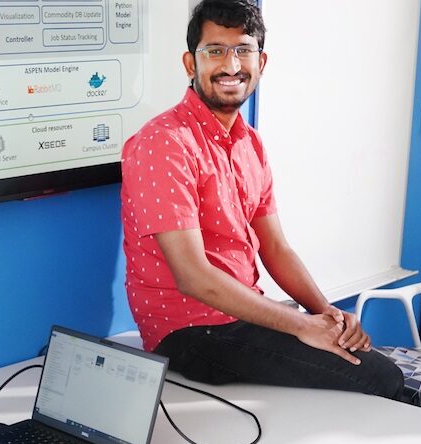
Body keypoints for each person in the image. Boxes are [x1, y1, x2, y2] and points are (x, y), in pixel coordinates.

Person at [119, 0, 404, 400]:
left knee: (362, 357)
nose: (231, 65)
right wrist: (301, 325)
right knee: (379, 378)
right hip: (186, 332)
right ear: (190, 63)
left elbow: (275, 246)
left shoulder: (249, 142)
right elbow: (192, 275)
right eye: (215, 51)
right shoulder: (164, 143)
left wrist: (326, 314)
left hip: (238, 315)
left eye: (243, 50)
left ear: (261, 61)